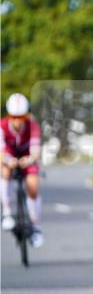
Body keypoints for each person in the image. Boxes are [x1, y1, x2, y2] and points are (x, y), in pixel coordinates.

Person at [1, 93, 44, 247]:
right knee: (4, 171)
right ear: (9, 115)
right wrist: (8, 160)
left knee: (33, 187)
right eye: (14, 116)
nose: (17, 120)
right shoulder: (2, 125)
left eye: (21, 116)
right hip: (9, 155)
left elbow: (36, 152)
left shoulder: (33, 126)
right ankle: (7, 213)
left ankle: (35, 226)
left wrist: (30, 160)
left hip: (27, 156)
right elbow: (0, 153)